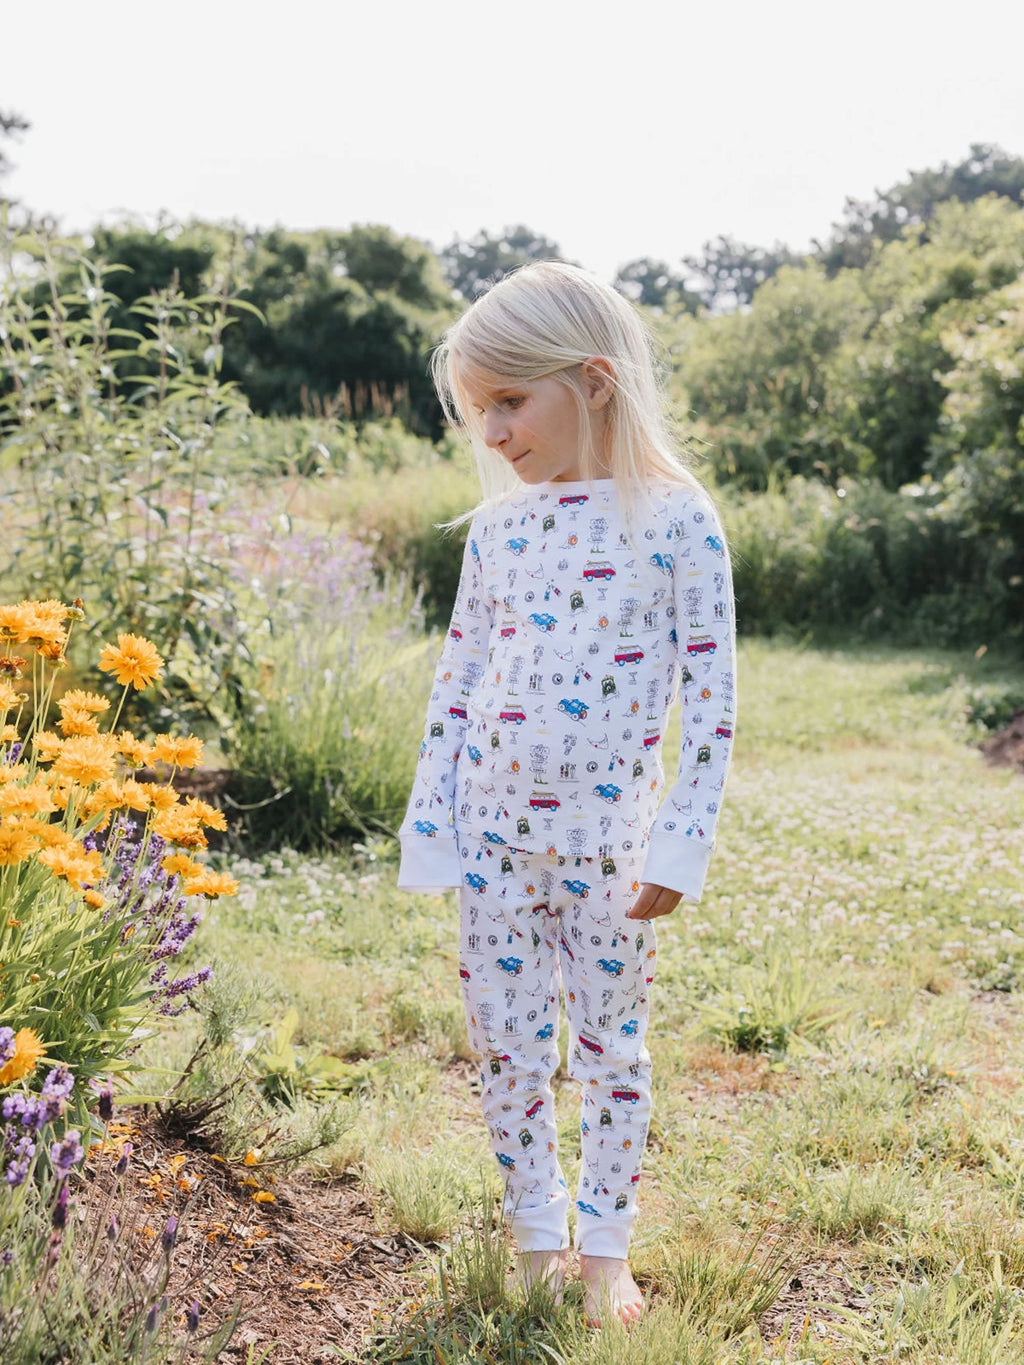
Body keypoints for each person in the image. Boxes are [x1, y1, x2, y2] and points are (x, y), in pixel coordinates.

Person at [397, 262, 735, 1326]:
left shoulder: (677, 521)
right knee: (507, 1047)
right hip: (493, 843)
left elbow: (712, 700)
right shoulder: (498, 531)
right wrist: (432, 826)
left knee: (609, 1049)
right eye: (474, 412)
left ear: (592, 381)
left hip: (608, 855)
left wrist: (678, 849)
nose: (490, 433)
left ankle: (607, 1254)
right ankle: (537, 1239)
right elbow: (457, 682)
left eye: (507, 402)